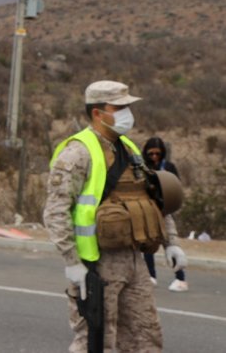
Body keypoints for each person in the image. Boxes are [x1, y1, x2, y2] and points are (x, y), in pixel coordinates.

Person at [43, 80, 187, 352]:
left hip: (134, 260)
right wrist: (72, 261)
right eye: (119, 107)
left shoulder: (131, 151)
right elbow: (55, 212)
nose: (126, 113)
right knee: (95, 341)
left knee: (146, 338)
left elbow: (155, 199)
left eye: (127, 107)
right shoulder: (78, 152)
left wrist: (172, 242)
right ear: (98, 113)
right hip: (96, 263)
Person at [142, 136, 188, 292]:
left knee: (171, 244)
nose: (154, 157)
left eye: (157, 154)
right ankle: (150, 275)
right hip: (148, 211)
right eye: (151, 154)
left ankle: (180, 278)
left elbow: (176, 186)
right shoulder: (143, 167)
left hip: (165, 210)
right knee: (149, 245)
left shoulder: (168, 166)